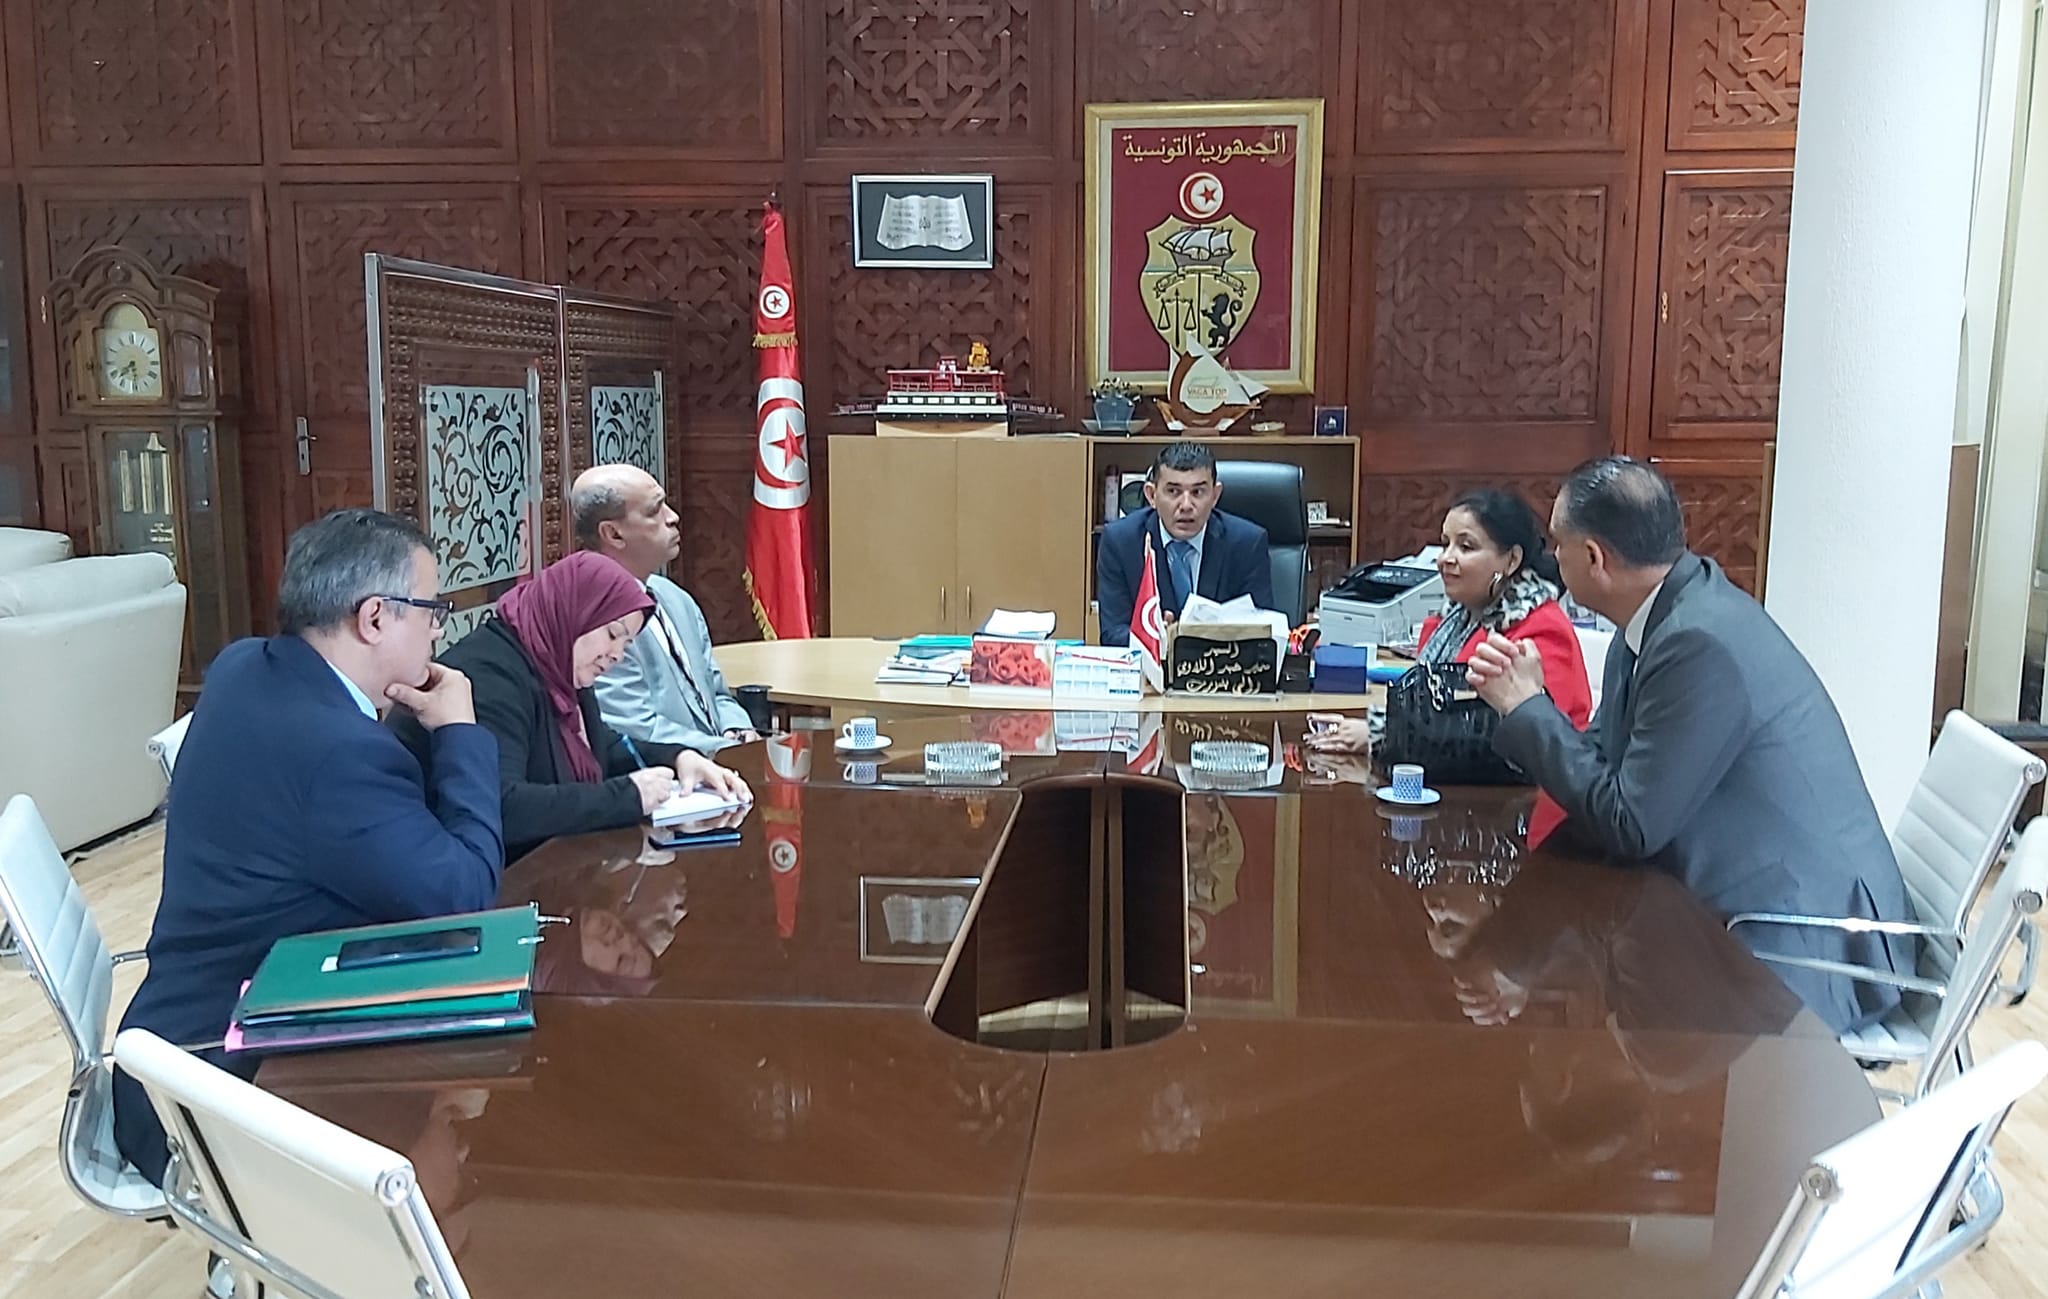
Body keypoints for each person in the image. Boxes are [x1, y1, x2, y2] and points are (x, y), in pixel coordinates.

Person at [113, 508, 505, 1186]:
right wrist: (459, 733)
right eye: (432, 611)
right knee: (486, 1095)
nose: (439, 631)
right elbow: (464, 894)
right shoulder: (338, 752)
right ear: (374, 617)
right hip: (225, 1082)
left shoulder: (244, 665)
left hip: (175, 1040)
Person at [1465, 455, 1913, 1033]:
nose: (1552, 557)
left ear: (1595, 558)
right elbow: (1604, 764)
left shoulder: (1696, 643)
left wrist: (1526, 707)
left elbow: (1631, 824)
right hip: (1735, 911)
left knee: (1647, 1047)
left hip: (1806, 950)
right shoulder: (1659, 617)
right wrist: (1531, 707)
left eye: (1558, 544)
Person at [393, 550, 751, 863]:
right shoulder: (491, 677)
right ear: (575, 611)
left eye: (627, 644)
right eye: (612, 634)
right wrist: (627, 797)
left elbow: (600, 745)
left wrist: (678, 758)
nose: (616, 655)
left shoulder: (556, 660)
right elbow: (505, 807)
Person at [1305, 488, 1593, 755]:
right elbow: (1428, 717)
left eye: (1466, 547)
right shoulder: (1452, 623)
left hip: (1526, 788)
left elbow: (1528, 742)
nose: (1445, 558)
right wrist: (1374, 729)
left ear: (1511, 560)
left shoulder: (1541, 630)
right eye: (1445, 544)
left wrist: (1382, 735)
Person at [569, 464, 761, 754]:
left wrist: (737, 728)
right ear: (613, 534)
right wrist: (730, 752)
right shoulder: (598, 621)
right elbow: (638, 730)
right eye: (654, 511)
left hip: (715, 762)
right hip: (661, 772)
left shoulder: (673, 596)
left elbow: (715, 691)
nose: (673, 517)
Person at [1097, 440, 1273, 646]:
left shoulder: (1247, 544)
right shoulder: (1121, 542)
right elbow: (1112, 633)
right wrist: (1156, 637)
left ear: (1215, 495)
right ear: (1152, 495)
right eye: (1173, 492)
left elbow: (1261, 631)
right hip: (1150, 664)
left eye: (1198, 492)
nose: (1186, 505)